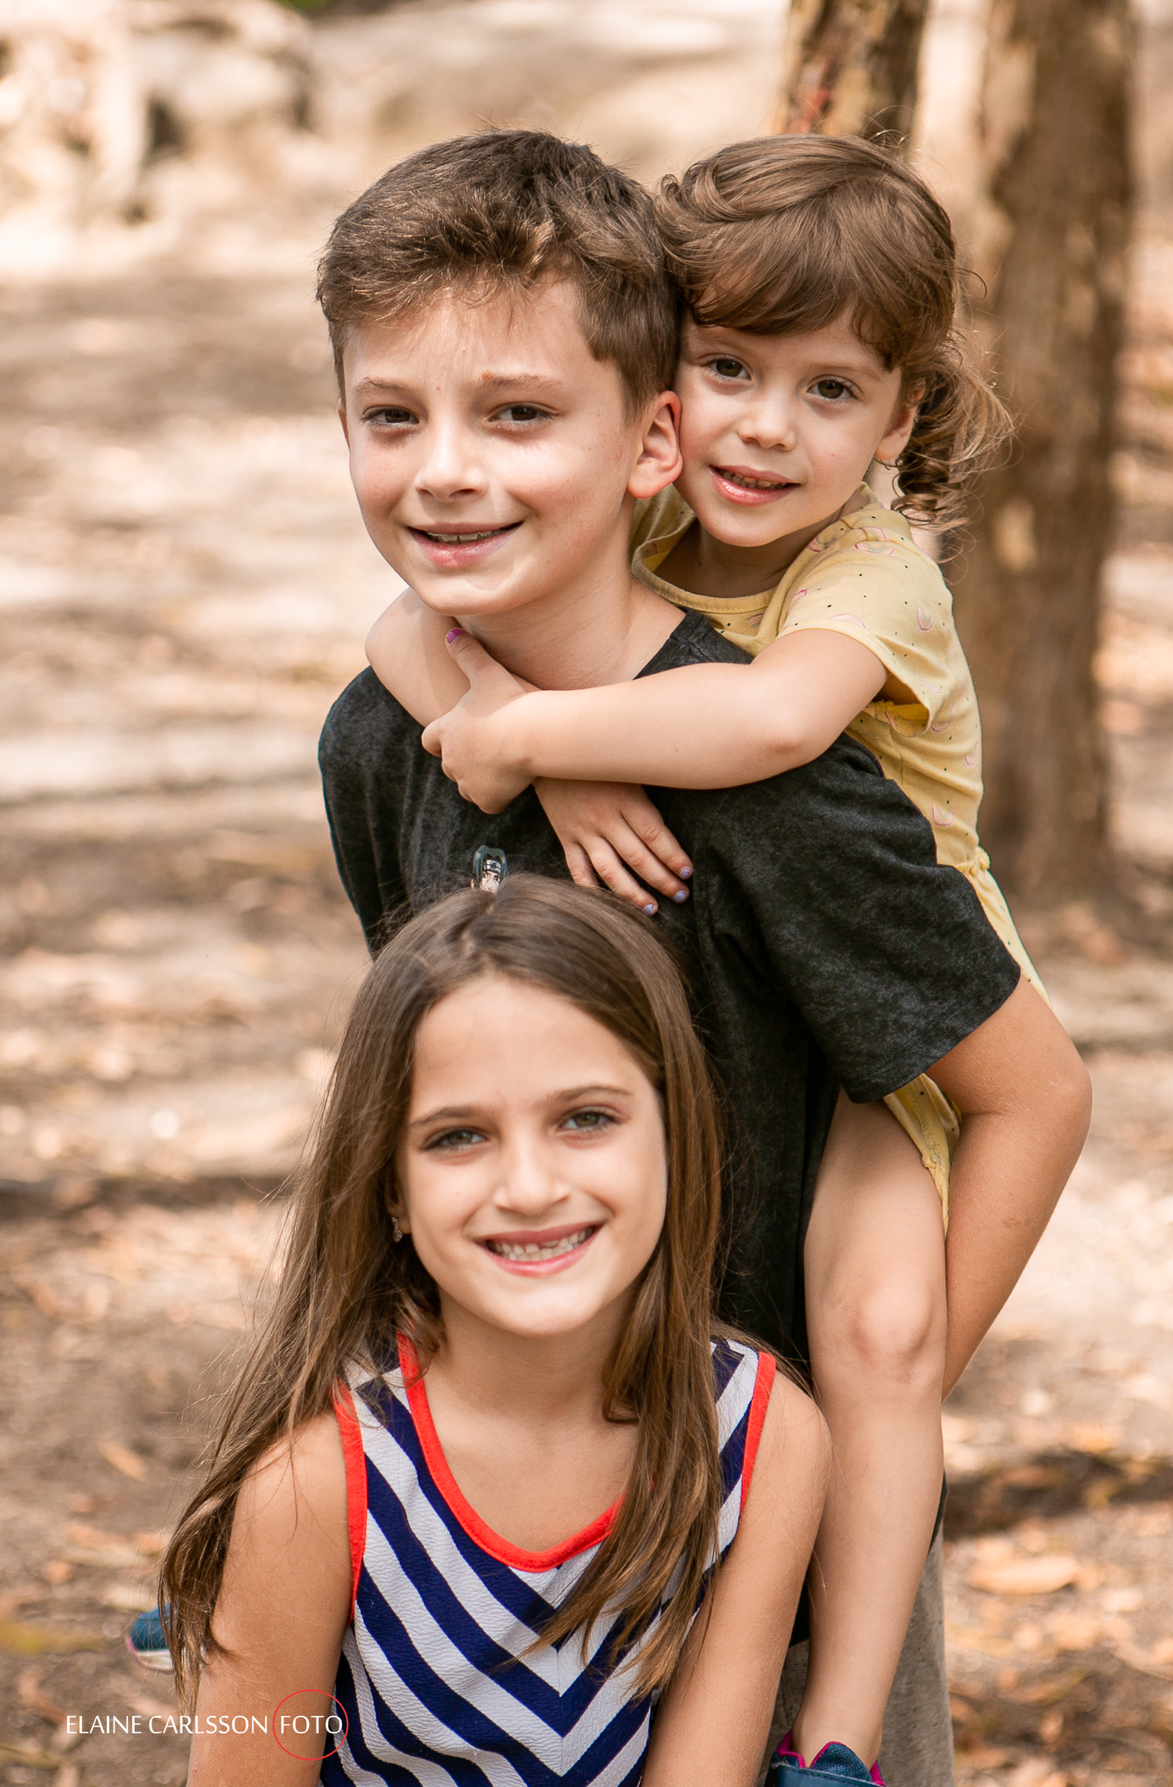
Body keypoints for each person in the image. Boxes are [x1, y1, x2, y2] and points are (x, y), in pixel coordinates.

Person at [308, 130, 1089, 1786]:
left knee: (875, 1336)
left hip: (770, 1527)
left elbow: (1030, 1087)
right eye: (394, 418)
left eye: (517, 416)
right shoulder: (390, 735)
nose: (451, 472)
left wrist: (843, 1429)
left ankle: (838, 1739)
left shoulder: (803, 740)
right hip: (477, 1527)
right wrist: (526, 741)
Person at [159, 877, 831, 1786]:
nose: (529, 1187)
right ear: (391, 1189)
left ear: (676, 1138)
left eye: (586, 1119)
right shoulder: (316, 1488)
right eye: (458, 1136)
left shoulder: (762, 1435)